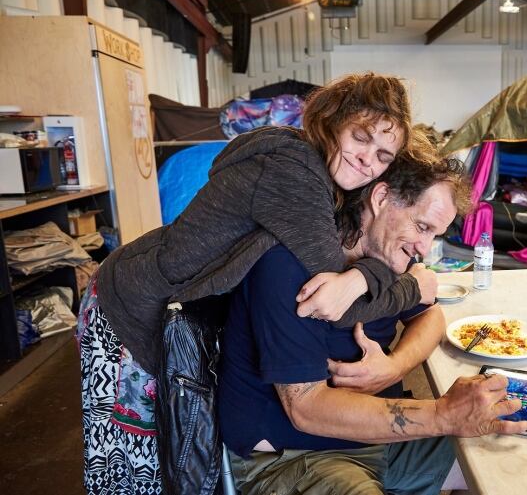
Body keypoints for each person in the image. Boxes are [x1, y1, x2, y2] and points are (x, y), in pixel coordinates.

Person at [77, 73, 439, 494]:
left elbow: (341, 278)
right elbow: (335, 303)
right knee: (130, 467)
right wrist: (411, 287)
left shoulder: (319, 178)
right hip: (130, 306)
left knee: (159, 461)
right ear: (331, 120)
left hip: (167, 299)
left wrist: (365, 276)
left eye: (383, 155)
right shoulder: (296, 178)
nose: (368, 160)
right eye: (360, 138)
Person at [218, 151, 527, 495]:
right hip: (297, 455)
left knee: (508, 461)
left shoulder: (385, 259)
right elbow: (306, 408)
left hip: (378, 437)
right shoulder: (287, 262)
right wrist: (441, 414)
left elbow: (431, 315)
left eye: (435, 235)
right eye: (422, 227)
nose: (425, 249)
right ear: (381, 198)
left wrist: (394, 367)